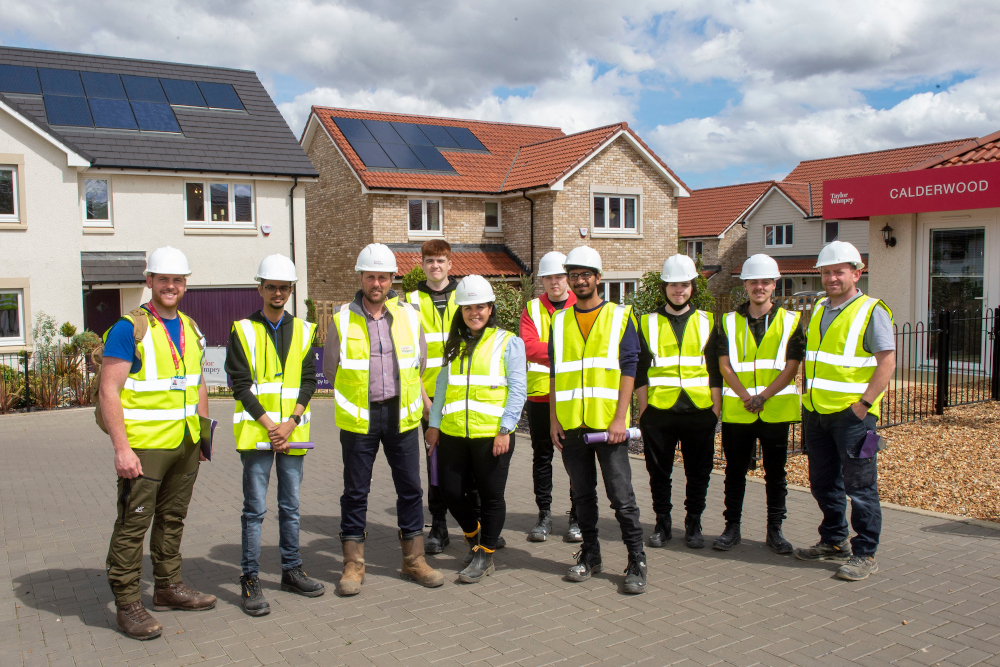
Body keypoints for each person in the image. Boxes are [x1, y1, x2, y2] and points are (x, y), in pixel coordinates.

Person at [99, 246, 216, 641]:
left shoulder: (190, 327)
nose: (171, 286)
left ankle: (168, 587)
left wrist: (202, 435)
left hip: (184, 445)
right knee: (134, 525)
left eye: (178, 280)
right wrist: (121, 448)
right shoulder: (128, 328)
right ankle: (128, 603)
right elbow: (108, 392)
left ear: (185, 284)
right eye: (163, 279)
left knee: (172, 519)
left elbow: (197, 383)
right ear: (149, 281)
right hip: (145, 448)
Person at [323, 243, 444, 596]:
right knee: (355, 492)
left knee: (410, 490)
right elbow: (331, 370)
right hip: (360, 422)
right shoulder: (343, 317)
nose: (377, 283)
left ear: (393, 279)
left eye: (383, 277)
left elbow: (418, 364)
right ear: (361, 277)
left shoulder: (408, 314)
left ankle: (413, 561)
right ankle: (353, 564)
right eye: (371, 276)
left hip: (401, 417)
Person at [226, 254, 324, 616]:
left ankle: (290, 570)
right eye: (272, 287)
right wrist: (271, 425)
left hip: (292, 434)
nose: (278, 293)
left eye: (284, 287)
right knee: (254, 510)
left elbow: (309, 381)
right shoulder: (243, 329)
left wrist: (291, 423)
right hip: (257, 435)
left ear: (291, 290)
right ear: (260, 289)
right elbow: (239, 384)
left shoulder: (303, 329)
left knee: (291, 507)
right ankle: (250, 578)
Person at [794, 241, 895, 581]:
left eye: (839, 271)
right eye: (826, 272)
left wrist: (863, 405)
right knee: (823, 483)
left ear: (857, 272)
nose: (832, 278)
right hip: (818, 412)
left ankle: (865, 553)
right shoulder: (821, 308)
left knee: (861, 487)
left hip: (854, 417)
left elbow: (887, 362)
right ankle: (834, 541)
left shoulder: (871, 310)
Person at [549, 246, 647, 595]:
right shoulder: (559, 320)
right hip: (572, 424)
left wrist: (622, 418)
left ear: (598, 278)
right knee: (583, 496)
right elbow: (556, 374)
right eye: (573, 275)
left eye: (585, 274)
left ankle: (636, 559)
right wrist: (552, 420)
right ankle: (591, 555)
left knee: (622, 498)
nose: (579, 280)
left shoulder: (620, 316)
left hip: (609, 427)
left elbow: (629, 369)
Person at [424, 276, 527, 583]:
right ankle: (475, 537)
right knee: (451, 491)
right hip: (454, 433)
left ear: (490, 308)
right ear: (461, 311)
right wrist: (434, 425)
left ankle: (486, 554)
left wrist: (505, 429)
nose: (474, 313)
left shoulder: (508, 342)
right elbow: (442, 386)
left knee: (492, 496)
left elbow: (518, 390)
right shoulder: (454, 343)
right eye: (468, 308)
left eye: (480, 307)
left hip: (491, 436)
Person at [714, 254, 804, 554]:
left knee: (776, 474)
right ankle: (732, 528)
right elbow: (724, 366)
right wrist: (745, 397)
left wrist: (762, 397)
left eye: (765, 281)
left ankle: (775, 531)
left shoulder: (791, 321)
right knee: (734, 473)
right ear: (745, 285)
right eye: (754, 282)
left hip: (775, 409)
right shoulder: (728, 321)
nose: (759, 287)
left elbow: (792, 366)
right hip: (739, 411)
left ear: (775, 285)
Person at [635, 254, 722, 550]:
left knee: (699, 472)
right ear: (664, 288)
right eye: (673, 285)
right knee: (659, 472)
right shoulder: (646, 323)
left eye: (684, 284)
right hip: (659, 412)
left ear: (693, 287)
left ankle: (694, 522)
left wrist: (715, 409)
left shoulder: (708, 321)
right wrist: (644, 411)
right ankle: (662, 522)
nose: (678, 290)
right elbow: (640, 370)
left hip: (699, 411)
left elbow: (715, 370)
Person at [405, 240, 475, 554]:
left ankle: (474, 528)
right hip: (429, 397)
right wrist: (422, 400)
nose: (435, 266)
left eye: (441, 260)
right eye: (430, 260)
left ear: (450, 264)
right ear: (422, 265)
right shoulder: (409, 302)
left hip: (464, 396)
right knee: (435, 464)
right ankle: (439, 527)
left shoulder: (467, 298)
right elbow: (406, 356)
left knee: (468, 464)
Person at [519, 251, 581, 543]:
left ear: (567, 278)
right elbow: (528, 348)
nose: (554, 283)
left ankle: (576, 517)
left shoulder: (580, 305)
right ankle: (544, 515)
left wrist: (549, 350)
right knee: (541, 458)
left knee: (574, 459)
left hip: (572, 396)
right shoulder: (532, 309)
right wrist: (564, 352)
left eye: (559, 277)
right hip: (541, 396)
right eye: (548, 278)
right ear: (541, 280)